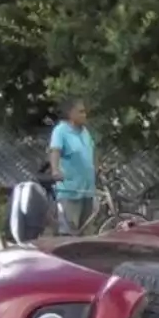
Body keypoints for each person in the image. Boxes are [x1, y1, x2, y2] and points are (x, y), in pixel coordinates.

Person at [47, 97, 97, 235]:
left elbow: (89, 152)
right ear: (71, 113)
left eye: (84, 112)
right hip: (70, 189)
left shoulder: (85, 132)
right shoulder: (61, 131)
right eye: (80, 112)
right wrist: (55, 170)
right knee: (69, 230)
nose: (84, 115)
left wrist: (97, 167)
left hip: (87, 189)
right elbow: (55, 150)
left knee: (86, 231)